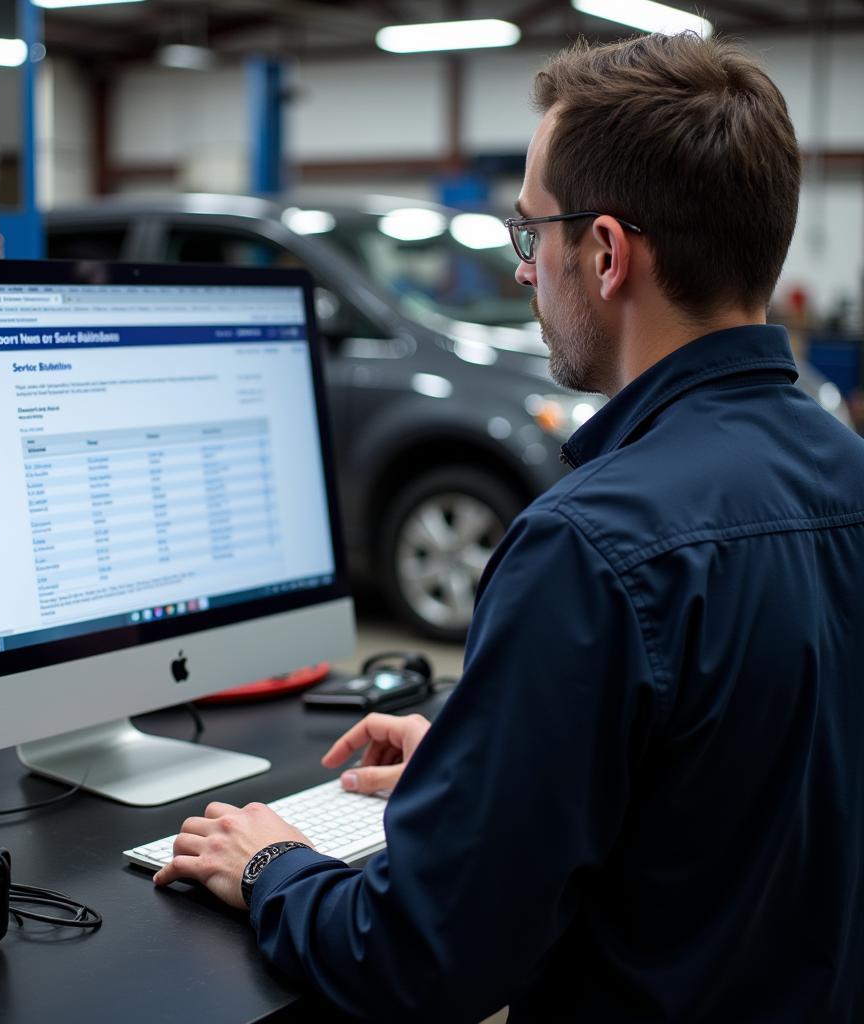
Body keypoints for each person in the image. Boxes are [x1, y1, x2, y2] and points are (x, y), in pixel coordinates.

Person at [154, 32, 864, 1022]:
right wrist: (484, 757)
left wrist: (272, 861)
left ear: (606, 253)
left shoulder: (591, 543)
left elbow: (424, 960)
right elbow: (740, 775)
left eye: (531, 235)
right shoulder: (846, 470)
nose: (525, 273)